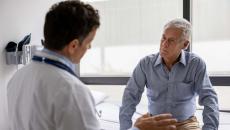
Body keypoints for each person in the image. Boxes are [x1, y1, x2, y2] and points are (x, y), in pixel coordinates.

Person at [7, 1, 177, 130]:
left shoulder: (17, 78)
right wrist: (137, 128)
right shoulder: (71, 91)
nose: (89, 47)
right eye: (89, 42)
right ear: (73, 45)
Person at [119, 18, 219, 130]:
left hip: (185, 123)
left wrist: (210, 128)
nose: (164, 44)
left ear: (185, 44)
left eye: (171, 41)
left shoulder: (196, 64)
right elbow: (130, 96)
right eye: (163, 38)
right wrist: (125, 128)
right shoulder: (145, 64)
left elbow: (209, 98)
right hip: (154, 123)